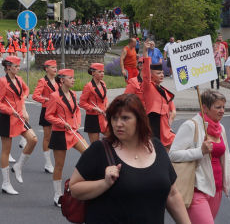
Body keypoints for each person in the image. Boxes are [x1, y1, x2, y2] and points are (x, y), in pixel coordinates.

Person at [69, 94, 190, 224]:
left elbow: (172, 194)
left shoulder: (157, 147)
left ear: (139, 120)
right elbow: (74, 189)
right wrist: (104, 184)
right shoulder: (99, 150)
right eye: (114, 118)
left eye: (125, 118)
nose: (118, 124)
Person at [170, 90, 230, 223]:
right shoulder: (191, 125)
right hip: (197, 190)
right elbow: (173, 155)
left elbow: (228, 161)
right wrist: (200, 151)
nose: (222, 111)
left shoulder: (220, 128)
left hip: (216, 190)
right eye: (218, 107)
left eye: (223, 107)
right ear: (205, 108)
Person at [0, 56, 38, 194]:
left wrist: (22, 103)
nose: (18, 69)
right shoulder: (2, 82)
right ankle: (6, 183)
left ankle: (18, 166)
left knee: (33, 139)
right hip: (8, 118)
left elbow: (26, 90)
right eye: (15, 66)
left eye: (18, 67)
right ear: (8, 67)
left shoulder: (19, 79)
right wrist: (10, 110)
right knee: (6, 151)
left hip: (19, 117)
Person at [45, 68, 88, 207]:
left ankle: (79, 183)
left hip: (73, 132)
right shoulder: (54, 96)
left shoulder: (74, 93)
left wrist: (77, 122)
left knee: (89, 154)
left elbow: (76, 110)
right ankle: (58, 195)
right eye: (70, 78)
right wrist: (62, 123)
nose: (73, 80)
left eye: (73, 77)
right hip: (60, 134)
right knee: (59, 165)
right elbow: (49, 116)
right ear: (62, 80)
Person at [141, 43, 177, 149]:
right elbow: (146, 72)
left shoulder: (164, 90)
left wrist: (170, 121)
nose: (161, 75)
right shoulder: (148, 86)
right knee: (155, 151)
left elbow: (172, 109)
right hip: (153, 121)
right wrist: (145, 52)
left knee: (170, 148)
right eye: (158, 73)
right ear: (151, 75)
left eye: (162, 73)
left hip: (164, 124)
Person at [32, 59, 59, 174]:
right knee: (48, 137)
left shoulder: (58, 81)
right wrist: (45, 99)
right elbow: (35, 96)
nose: (55, 69)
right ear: (47, 68)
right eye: (53, 67)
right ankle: (48, 163)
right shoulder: (43, 81)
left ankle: (57, 161)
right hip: (47, 110)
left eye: (56, 67)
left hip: (58, 112)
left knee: (57, 136)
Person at [79, 62, 108, 143]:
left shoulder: (103, 84)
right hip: (92, 118)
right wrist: (93, 108)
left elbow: (105, 99)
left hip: (103, 116)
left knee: (115, 138)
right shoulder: (88, 86)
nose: (102, 74)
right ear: (93, 73)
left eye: (103, 72)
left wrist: (107, 109)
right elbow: (81, 102)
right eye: (99, 72)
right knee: (95, 146)